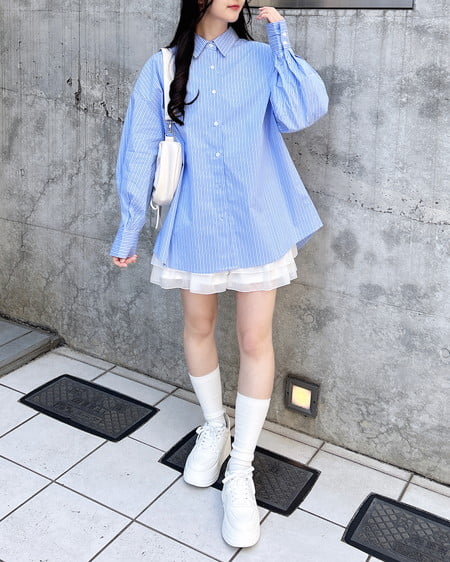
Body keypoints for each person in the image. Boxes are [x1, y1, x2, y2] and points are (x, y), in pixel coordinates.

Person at [110, 0, 328, 549]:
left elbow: (304, 110)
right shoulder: (163, 66)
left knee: (255, 338)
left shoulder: (261, 59)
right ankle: (214, 427)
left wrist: (281, 39)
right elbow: (139, 146)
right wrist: (129, 226)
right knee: (198, 326)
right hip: (196, 221)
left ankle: (242, 468)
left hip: (257, 220)